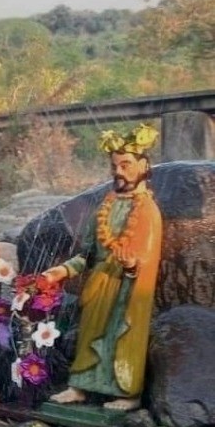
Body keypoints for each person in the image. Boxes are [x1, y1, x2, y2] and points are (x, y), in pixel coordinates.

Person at [42, 124, 163, 411]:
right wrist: (62, 271)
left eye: (126, 165)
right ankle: (80, 387)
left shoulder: (147, 209)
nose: (118, 171)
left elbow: (147, 252)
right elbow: (87, 253)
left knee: (123, 333)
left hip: (129, 287)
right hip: (100, 282)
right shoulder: (104, 207)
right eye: (114, 166)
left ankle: (127, 392)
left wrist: (133, 264)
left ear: (143, 166)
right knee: (90, 333)